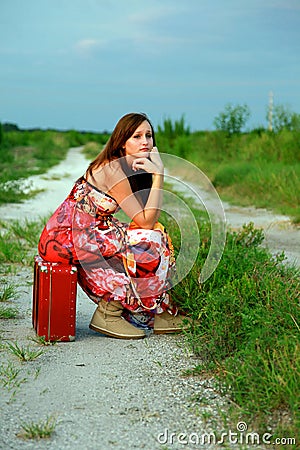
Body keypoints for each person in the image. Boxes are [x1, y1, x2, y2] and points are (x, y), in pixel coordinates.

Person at [38, 112, 188, 339]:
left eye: (148, 135)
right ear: (122, 142)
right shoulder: (113, 170)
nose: (145, 142)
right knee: (149, 240)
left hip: (82, 233)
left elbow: (146, 216)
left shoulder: (126, 167)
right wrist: (159, 176)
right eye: (136, 136)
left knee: (154, 234)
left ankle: (157, 313)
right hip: (65, 237)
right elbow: (144, 220)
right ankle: (121, 313)